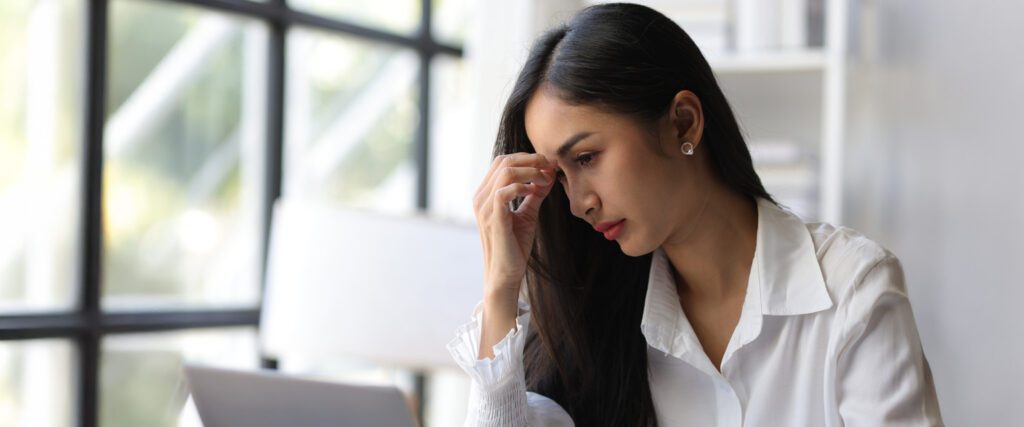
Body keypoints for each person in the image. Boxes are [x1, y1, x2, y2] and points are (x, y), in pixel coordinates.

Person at [446, 3, 943, 426]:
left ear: (683, 121)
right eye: (561, 176)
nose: (578, 204)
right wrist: (500, 290)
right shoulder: (593, 328)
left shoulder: (852, 292)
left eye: (587, 158)